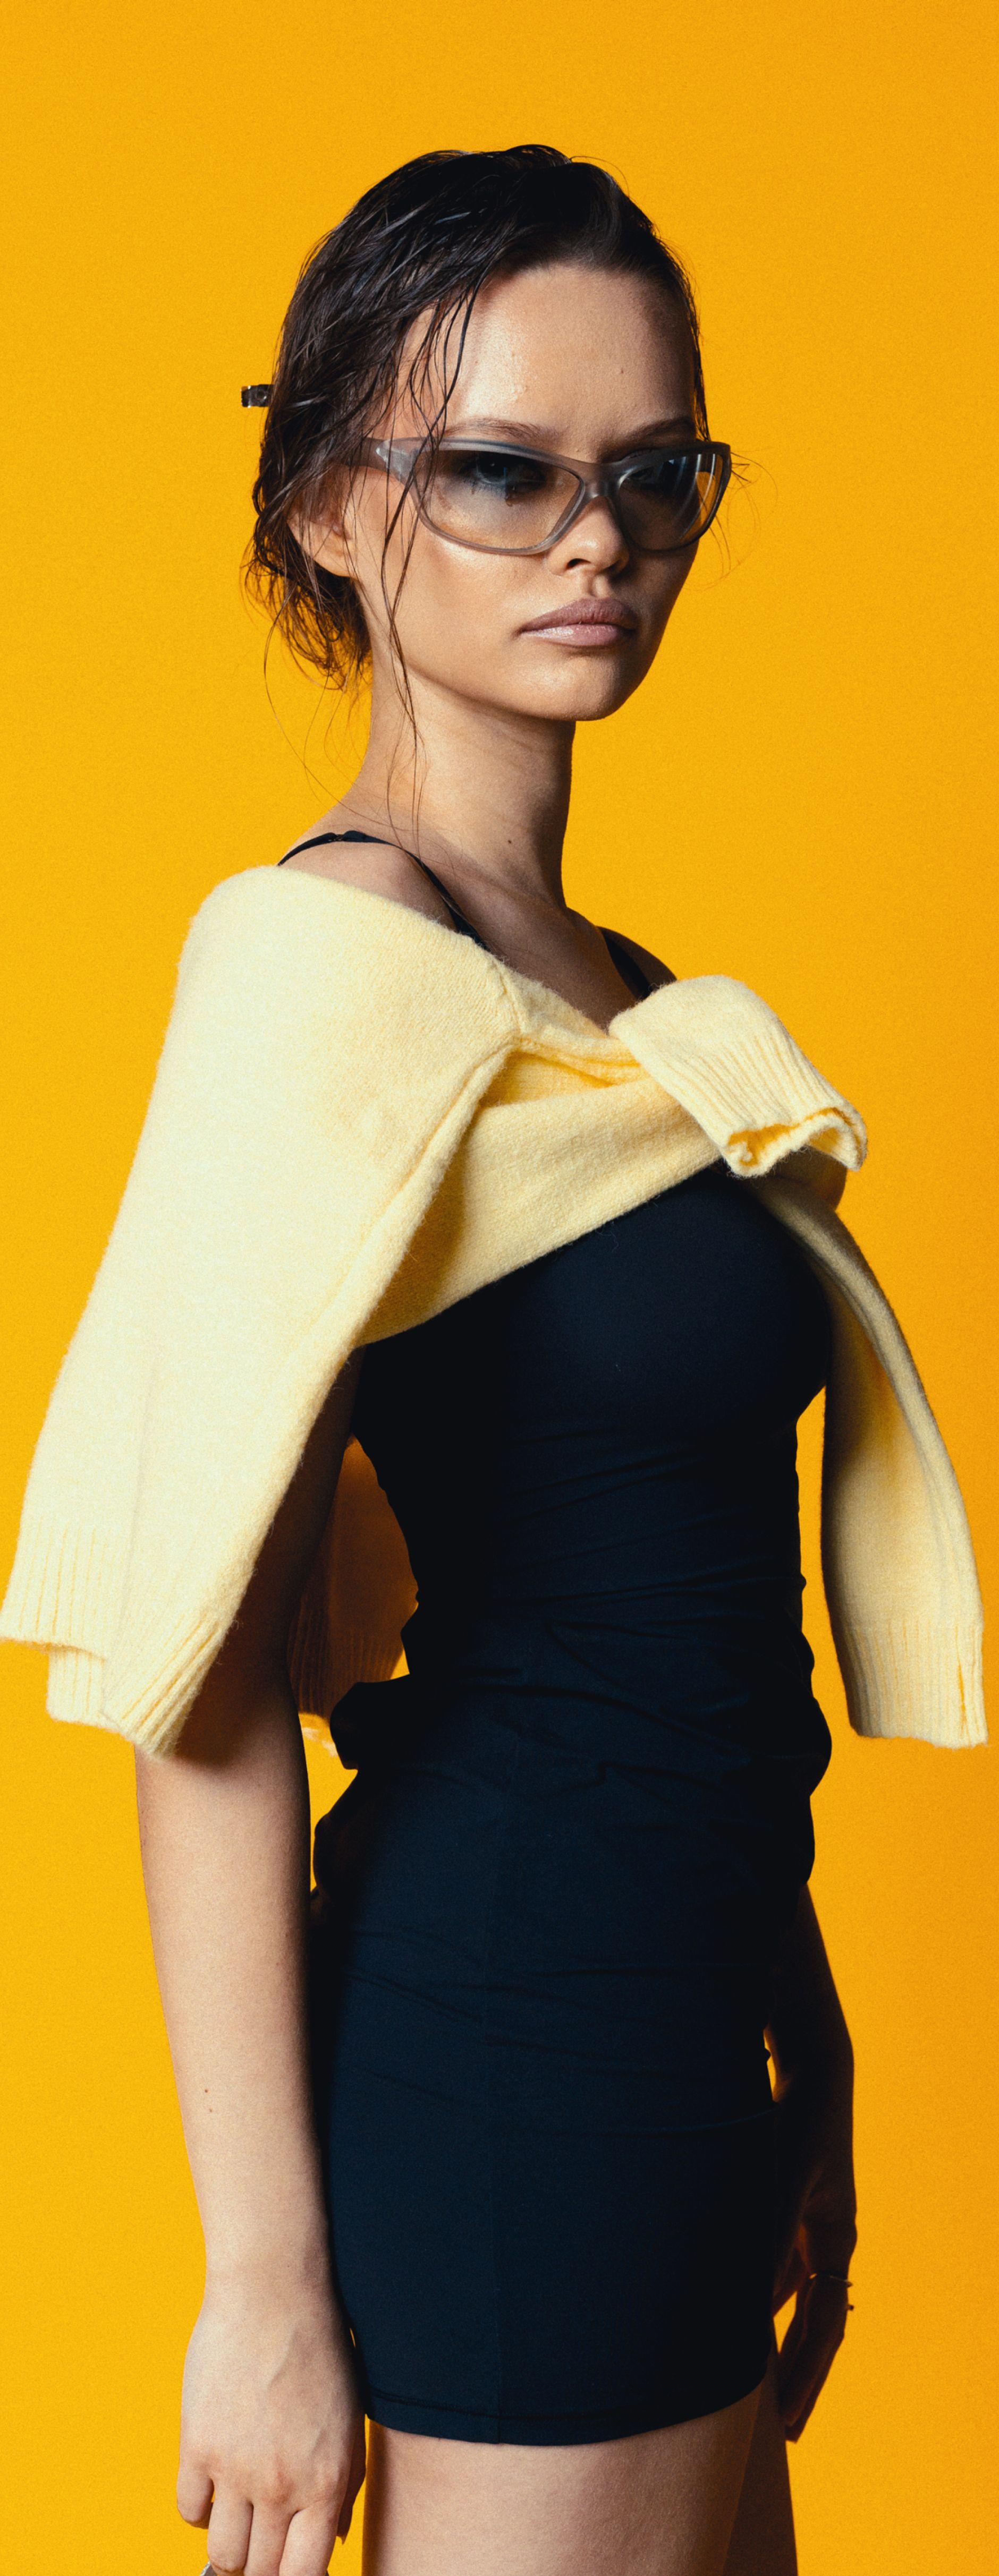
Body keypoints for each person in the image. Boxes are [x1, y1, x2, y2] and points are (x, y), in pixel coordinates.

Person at [1, 147, 984, 2576]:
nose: (595, 541)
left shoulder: (622, 1007)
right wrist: (260, 2279)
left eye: (651, 475)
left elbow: (667, 1599)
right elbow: (203, 1662)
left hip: (681, 2019)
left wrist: (799, 2020)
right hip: (510, 2052)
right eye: (503, 472)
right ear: (339, 509)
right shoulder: (319, 973)